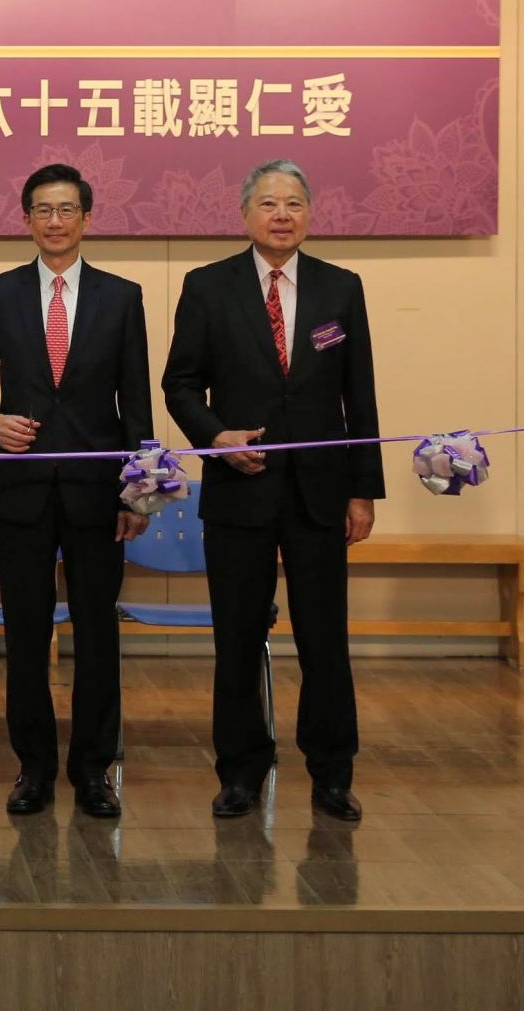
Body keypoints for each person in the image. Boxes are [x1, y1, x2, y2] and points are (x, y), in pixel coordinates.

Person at [162, 158, 382, 824]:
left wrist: (363, 490)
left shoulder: (340, 288)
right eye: (268, 203)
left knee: (325, 639)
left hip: (321, 493)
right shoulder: (208, 286)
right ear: (244, 214)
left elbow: (359, 395)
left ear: (309, 214)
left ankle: (333, 774)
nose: (282, 214)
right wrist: (215, 437)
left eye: (294, 203)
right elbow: (180, 384)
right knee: (236, 638)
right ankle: (240, 772)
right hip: (240, 489)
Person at [0, 164, 152, 820]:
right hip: (23, 489)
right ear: (26, 220)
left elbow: (136, 402)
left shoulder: (122, 297)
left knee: (98, 634)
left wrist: (136, 493)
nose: (56, 221)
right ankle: (33, 768)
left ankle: (94, 771)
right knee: (26, 634)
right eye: (43, 209)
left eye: (67, 209)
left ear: (87, 218)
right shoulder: (0, 292)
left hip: (100, 494)